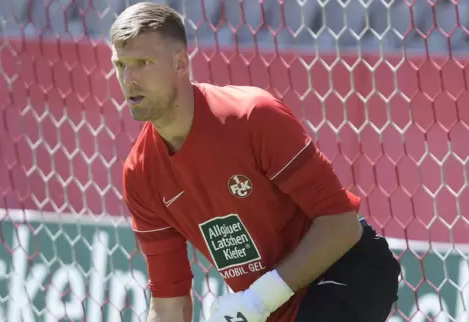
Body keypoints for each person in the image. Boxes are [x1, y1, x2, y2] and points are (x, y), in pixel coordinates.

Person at [111, 2, 401, 322]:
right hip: (270, 306)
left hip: (347, 269)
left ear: (180, 64)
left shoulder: (252, 116)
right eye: (120, 65)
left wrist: (257, 301)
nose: (129, 78)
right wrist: (258, 303)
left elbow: (341, 225)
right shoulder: (139, 173)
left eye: (142, 62)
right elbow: (169, 305)